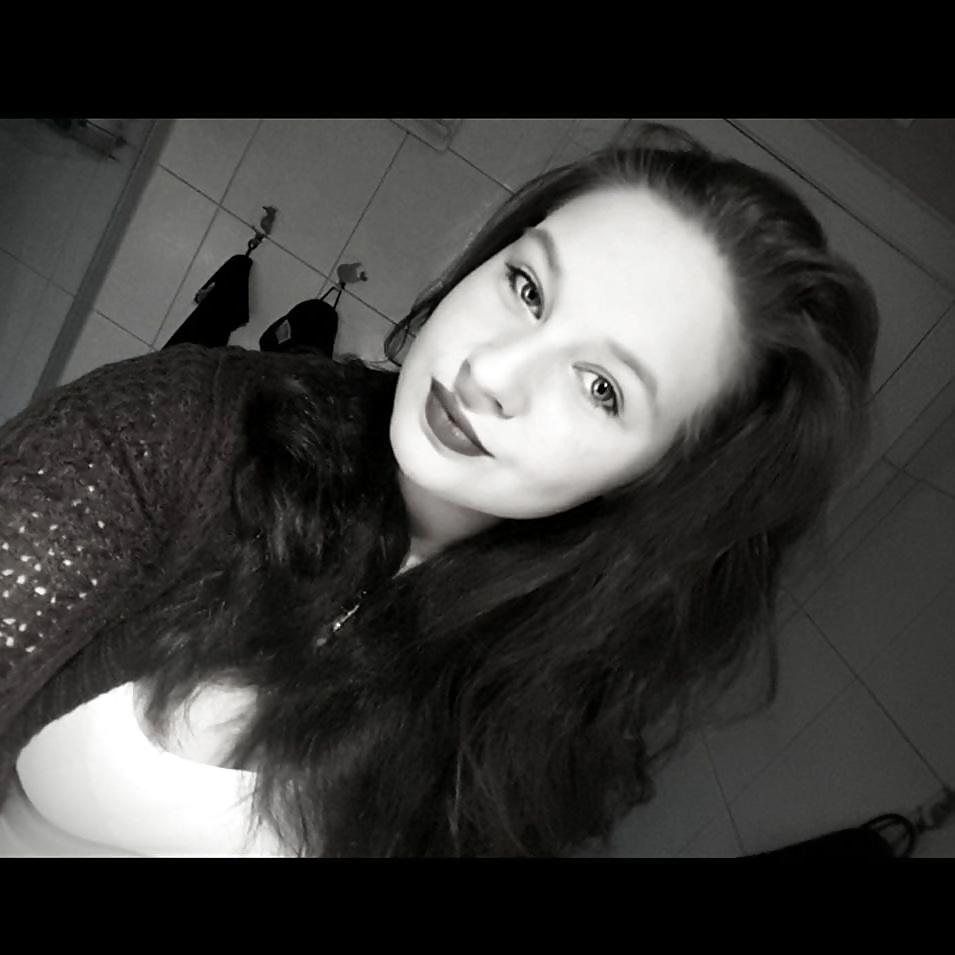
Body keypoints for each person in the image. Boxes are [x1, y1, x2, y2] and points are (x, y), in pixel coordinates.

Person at [0, 122, 879, 857]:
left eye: (601, 387)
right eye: (526, 287)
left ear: (662, 478)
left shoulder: (548, 735)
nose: (491, 370)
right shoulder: (185, 426)